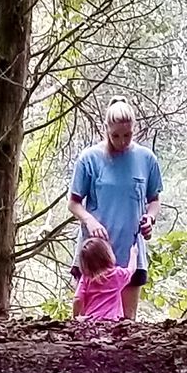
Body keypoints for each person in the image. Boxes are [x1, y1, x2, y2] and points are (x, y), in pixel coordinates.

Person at [68, 97, 162, 320]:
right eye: (115, 136)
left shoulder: (146, 159)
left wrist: (150, 218)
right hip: (95, 255)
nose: (121, 141)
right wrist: (90, 221)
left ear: (134, 129)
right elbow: (73, 203)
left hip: (129, 249)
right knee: (89, 319)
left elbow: (154, 200)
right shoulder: (89, 159)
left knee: (127, 321)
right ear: (106, 130)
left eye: (127, 135)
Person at [72, 236, 138, 321]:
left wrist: (75, 317)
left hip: (92, 320)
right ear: (108, 255)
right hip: (113, 321)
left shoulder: (86, 278)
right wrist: (133, 254)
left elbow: (77, 299)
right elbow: (131, 270)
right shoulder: (117, 274)